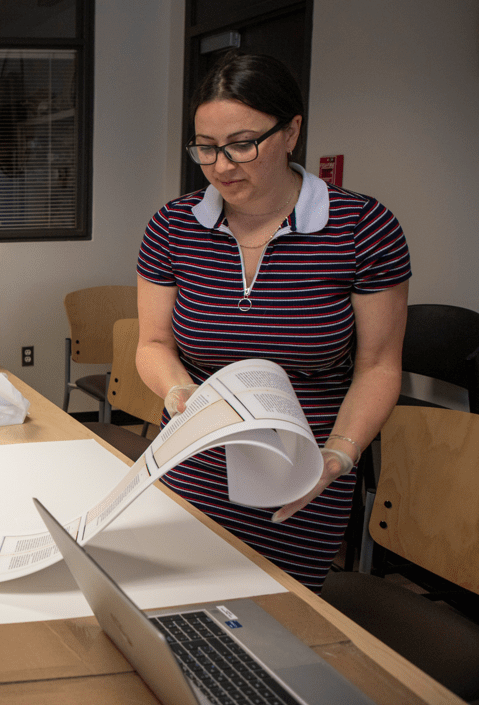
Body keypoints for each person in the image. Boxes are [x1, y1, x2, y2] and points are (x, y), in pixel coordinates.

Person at [135, 51, 410, 591]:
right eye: (206, 148)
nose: (221, 166)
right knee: (172, 602)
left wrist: (340, 454)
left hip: (303, 471)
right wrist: (178, 393)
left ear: (291, 132)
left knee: (279, 616)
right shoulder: (173, 226)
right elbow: (153, 343)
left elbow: (379, 366)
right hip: (195, 458)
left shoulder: (363, 227)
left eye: (242, 144)